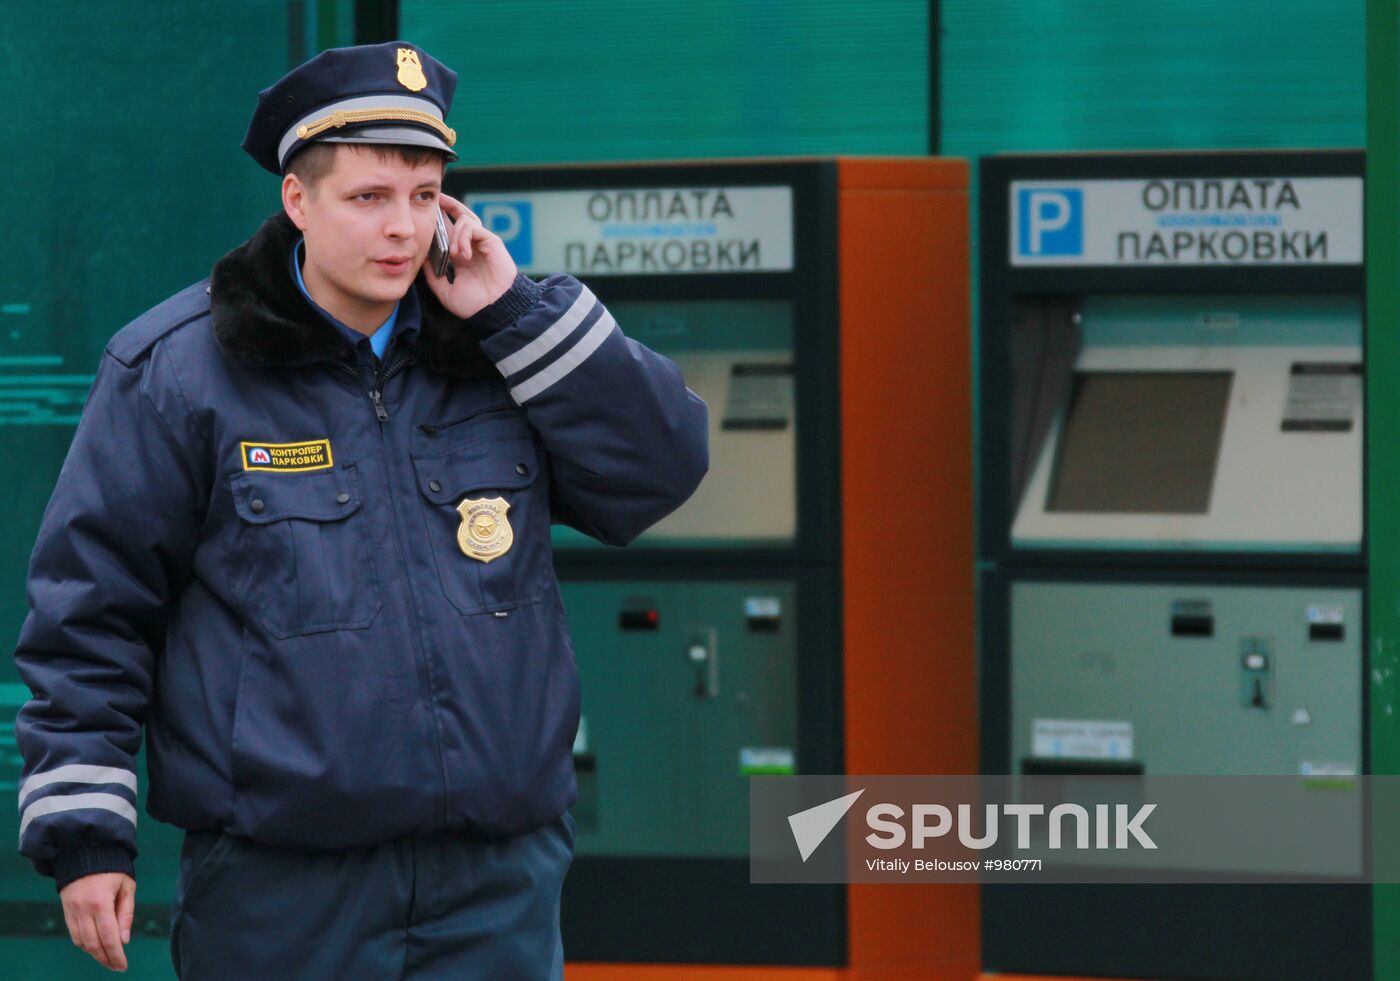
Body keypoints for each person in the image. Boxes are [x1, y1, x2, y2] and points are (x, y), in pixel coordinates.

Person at [12, 40, 707, 978]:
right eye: (369, 198)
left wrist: (516, 315)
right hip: (282, 890)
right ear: (298, 201)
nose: (403, 229)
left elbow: (659, 471)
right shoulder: (177, 371)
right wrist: (85, 835)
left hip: (498, 885)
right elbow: (91, 612)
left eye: (425, 197)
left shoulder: (501, 350)